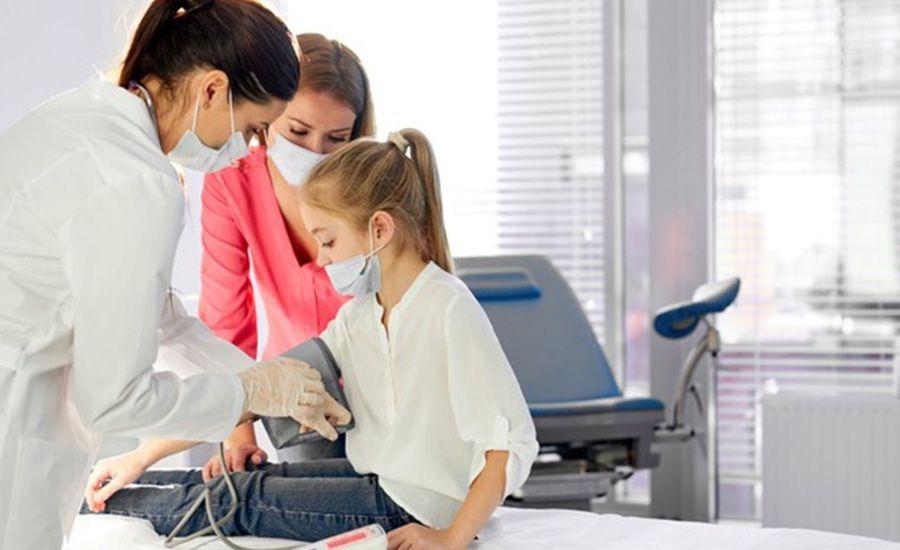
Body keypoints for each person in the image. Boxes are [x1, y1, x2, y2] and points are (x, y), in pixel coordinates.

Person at [83, 129, 539, 550]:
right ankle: (91, 493)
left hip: (415, 507)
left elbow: (506, 442)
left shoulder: (447, 307)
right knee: (246, 480)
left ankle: (82, 511)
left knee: (241, 500)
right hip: (380, 481)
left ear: (380, 229)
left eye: (329, 241)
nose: (320, 260)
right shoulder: (358, 316)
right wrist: (141, 456)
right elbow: (261, 390)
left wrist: (452, 538)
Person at [0, 2, 348, 549]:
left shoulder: (86, 120)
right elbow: (114, 400)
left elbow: (162, 321)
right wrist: (246, 393)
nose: (249, 149)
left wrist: (267, 381)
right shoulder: (137, 182)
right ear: (212, 90)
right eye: (254, 128)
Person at [197, 33, 374, 478]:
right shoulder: (231, 180)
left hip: (384, 387)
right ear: (269, 113)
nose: (314, 151)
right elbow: (226, 319)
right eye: (297, 131)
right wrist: (238, 432)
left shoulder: (373, 188)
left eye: (336, 138)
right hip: (298, 392)